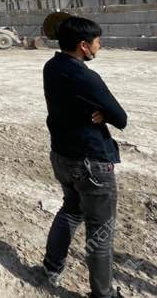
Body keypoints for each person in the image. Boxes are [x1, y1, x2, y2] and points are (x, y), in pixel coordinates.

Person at [42, 16, 128, 298]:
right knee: (100, 232)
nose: (99, 46)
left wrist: (101, 111)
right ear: (83, 45)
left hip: (62, 156)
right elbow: (121, 118)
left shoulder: (52, 66)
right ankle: (103, 294)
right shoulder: (85, 76)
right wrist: (105, 113)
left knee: (71, 210)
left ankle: (52, 266)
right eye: (97, 42)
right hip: (91, 163)